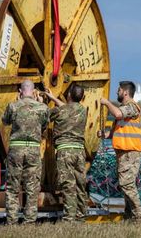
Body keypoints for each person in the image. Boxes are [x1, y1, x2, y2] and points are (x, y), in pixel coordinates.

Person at [97, 81, 141, 222]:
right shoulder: (124, 109)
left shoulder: (132, 107)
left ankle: (139, 216)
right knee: (125, 185)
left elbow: (118, 114)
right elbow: (114, 133)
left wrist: (106, 103)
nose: (116, 92)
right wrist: (104, 135)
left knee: (127, 184)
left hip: (131, 152)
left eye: (118, 90)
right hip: (123, 153)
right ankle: (130, 215)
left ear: (125, 92)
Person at [2, 80, 49, 224]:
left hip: (16, 148)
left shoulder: (13, 106)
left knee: (12, 187)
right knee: (32, 187)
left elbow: (5, 121)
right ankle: (29, 221)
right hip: (33, 149)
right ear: (34, 92)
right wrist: (40, 102)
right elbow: (44, 126)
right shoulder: (42, 108)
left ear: (20, 91)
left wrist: (17, 103)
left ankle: (12, 221)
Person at [44, 85, 88, 222]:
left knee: (68, 185)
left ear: (69, 95)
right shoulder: (82, 110)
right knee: (80, 184)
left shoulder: (59, 111)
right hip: (80, 152)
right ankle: (82, 215)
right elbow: (69, 109)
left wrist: (41, 101)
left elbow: (45, 117)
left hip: (65, 152)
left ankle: (69, 218)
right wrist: (54, 98)